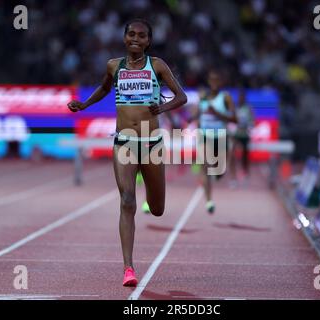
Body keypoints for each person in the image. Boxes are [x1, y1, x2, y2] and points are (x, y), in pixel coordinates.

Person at [67, 19, 187, 286]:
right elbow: (104, 88)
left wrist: (162, 109)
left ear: (148, 41)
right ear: (124, 38)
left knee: (157, 209)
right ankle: (128, 268)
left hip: (151, 143)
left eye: (141, 36)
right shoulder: (114, 66)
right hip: (124, 142)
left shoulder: (157, 65)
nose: (136, 39)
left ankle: (151, 206)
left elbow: (182, 97)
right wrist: (84, 104)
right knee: (127, 201)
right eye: (131, 34)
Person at [192, 69, 237, 213]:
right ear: (209, 81)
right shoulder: (203, 97)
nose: (214, 83)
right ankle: (209, 201)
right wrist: (196, 122)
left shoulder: (225, 98)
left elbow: (235, 119)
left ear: (221, 82)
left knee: (219, 170)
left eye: (217, 80)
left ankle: (218, 173)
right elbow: (198, 115)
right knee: (205, 166)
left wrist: (217, 113)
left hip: (220, 136)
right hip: (205, 136)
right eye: (212, 80)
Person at [228, 88, 254, 187]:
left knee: (245, 156)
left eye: (242, 98)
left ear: (244, 99)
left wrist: (248, 128)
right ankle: (233, 177)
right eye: (239, 97)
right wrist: (232, 129)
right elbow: (230, 121)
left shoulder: (248, 108)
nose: (241, 99)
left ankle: (245, 174)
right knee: (232, 155)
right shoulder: (234, 108)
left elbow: (252, 121)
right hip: (236, 134)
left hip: (245, 134)